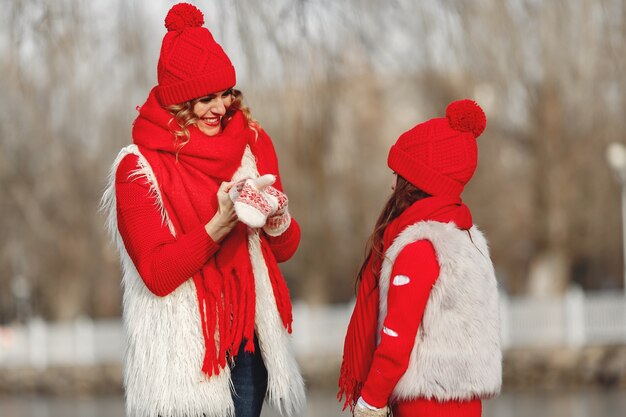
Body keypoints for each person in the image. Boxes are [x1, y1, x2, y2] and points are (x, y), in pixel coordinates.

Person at [100, 3, 304, 417]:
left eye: (226, 94)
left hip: (249, 347)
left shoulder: (252, 143)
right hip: (183, 359)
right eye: (205, 99)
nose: (219, 107)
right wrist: (219, 225)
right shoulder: (137, 168)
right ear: (177, 103)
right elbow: (157, 274)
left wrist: (276, 217)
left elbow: (283, 251)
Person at [338, 100, 502, 417]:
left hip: (424, 405)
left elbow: (396, 342)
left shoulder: (419, 249)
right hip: (467, 404)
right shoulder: (468, 241)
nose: (392, 183)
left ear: (416, 182)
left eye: (398, 174)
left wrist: (369, 402)